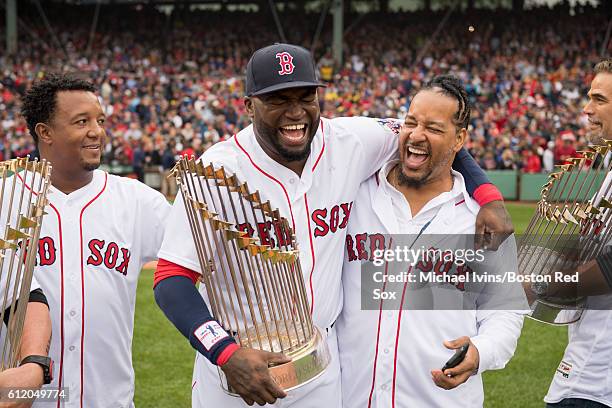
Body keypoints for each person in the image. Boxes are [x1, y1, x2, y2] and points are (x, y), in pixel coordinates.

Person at [153, 43, 513, 407]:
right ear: (249, 105)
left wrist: (487, 194)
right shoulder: (218, 172)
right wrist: (224, 353)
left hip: (322, 372)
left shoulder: (352, 141)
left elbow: (435, 138)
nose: (295, 112)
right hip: (240, 370)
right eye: (277, 100)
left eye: (305, 96)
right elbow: (170, 279)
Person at [336, 75, 524, 407]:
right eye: (411, 122)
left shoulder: (482, 220)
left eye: (434, 129)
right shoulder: (354, 196)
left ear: (459, 139)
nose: (417, 135)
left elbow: (505, 313)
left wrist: (481, 352)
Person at [20, 73, 171, 407]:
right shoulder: (8, 199)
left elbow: (202, 257)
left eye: (100, 120)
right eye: (81, 121)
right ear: (45, 132)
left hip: (109, 400)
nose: (97, 131)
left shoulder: (137, 201)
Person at [540, 58, 612, 407]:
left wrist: (541, 283)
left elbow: (608, 270)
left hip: (599, 378)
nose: (587, 108)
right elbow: (591, 249)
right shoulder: (608, 174)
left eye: (599, 99)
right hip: (589, 361)